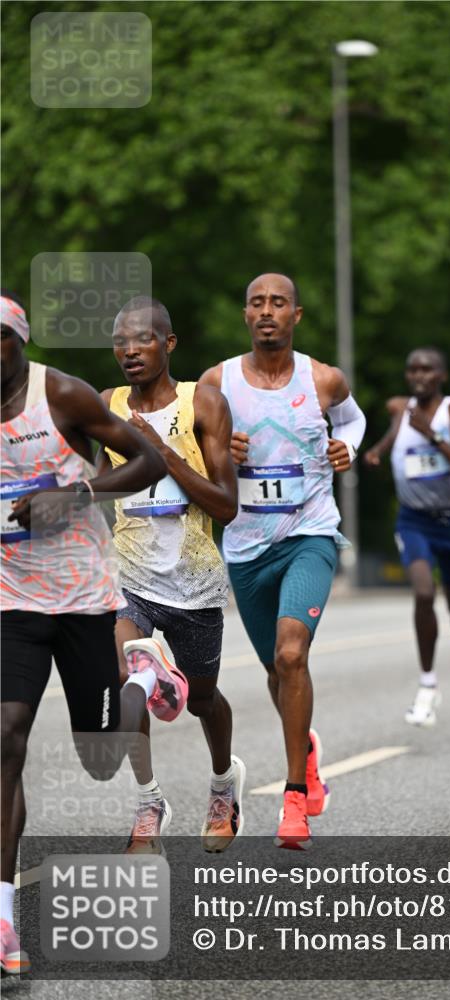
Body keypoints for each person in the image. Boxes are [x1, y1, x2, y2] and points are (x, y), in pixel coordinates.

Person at [0, 291, 171, 975]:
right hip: (11, 597)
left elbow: (150, 462)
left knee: (101, 757)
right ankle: (5, 919)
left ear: (19, 342)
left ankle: (147, 677)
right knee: (5, 735)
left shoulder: (61, 395)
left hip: (83, 595)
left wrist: (76, 495)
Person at [199, 273, 366, 850]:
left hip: (309, 533)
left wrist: (350, 448)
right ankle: (308, 748)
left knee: (292, 653)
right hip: (246, 546)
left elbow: (352, 420)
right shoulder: (217, 382)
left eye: (278, 303)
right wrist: (218, 449)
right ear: (245, 315)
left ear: (297, 314)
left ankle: (294, 797)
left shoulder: (322, 378)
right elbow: (193, 446)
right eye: (256, 303)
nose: (266, 311)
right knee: (276, 668)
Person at [97, 296, 244, 855]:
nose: (130, 351)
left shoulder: (203, 403)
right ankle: (148, 802)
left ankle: (224, 784)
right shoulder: (107, 406)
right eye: (120, 342)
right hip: (129, 572)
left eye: (142, 339)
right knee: (127, 676)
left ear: (169, 343)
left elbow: (225, 505)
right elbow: (101, 477)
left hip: (195, 576)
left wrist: (162, 454)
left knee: (204, 699)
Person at [364, 347, 450, 727]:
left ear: (442, 375)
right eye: (413, 369)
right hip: (413, 521)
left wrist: (434, 437)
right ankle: (428, 685)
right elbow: (392, 431)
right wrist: (377, 452)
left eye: (427, 369)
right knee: (423, 593)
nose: (419, 376)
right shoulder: (403, 412)